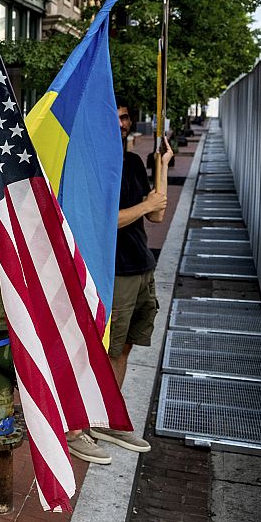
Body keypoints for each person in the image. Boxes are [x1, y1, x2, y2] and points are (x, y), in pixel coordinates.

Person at [67, 105, 171, 463]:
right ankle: (77, 426)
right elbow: (103, 223)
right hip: (114, 271)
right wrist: (145, 207)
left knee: (125, 347)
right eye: (113, 117)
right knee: (102, 349)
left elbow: (157, 213)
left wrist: (162, 167)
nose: (121, 124)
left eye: (125, 118)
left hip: (142, 266)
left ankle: (106, 417)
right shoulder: (91, 166)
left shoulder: (131, 162)